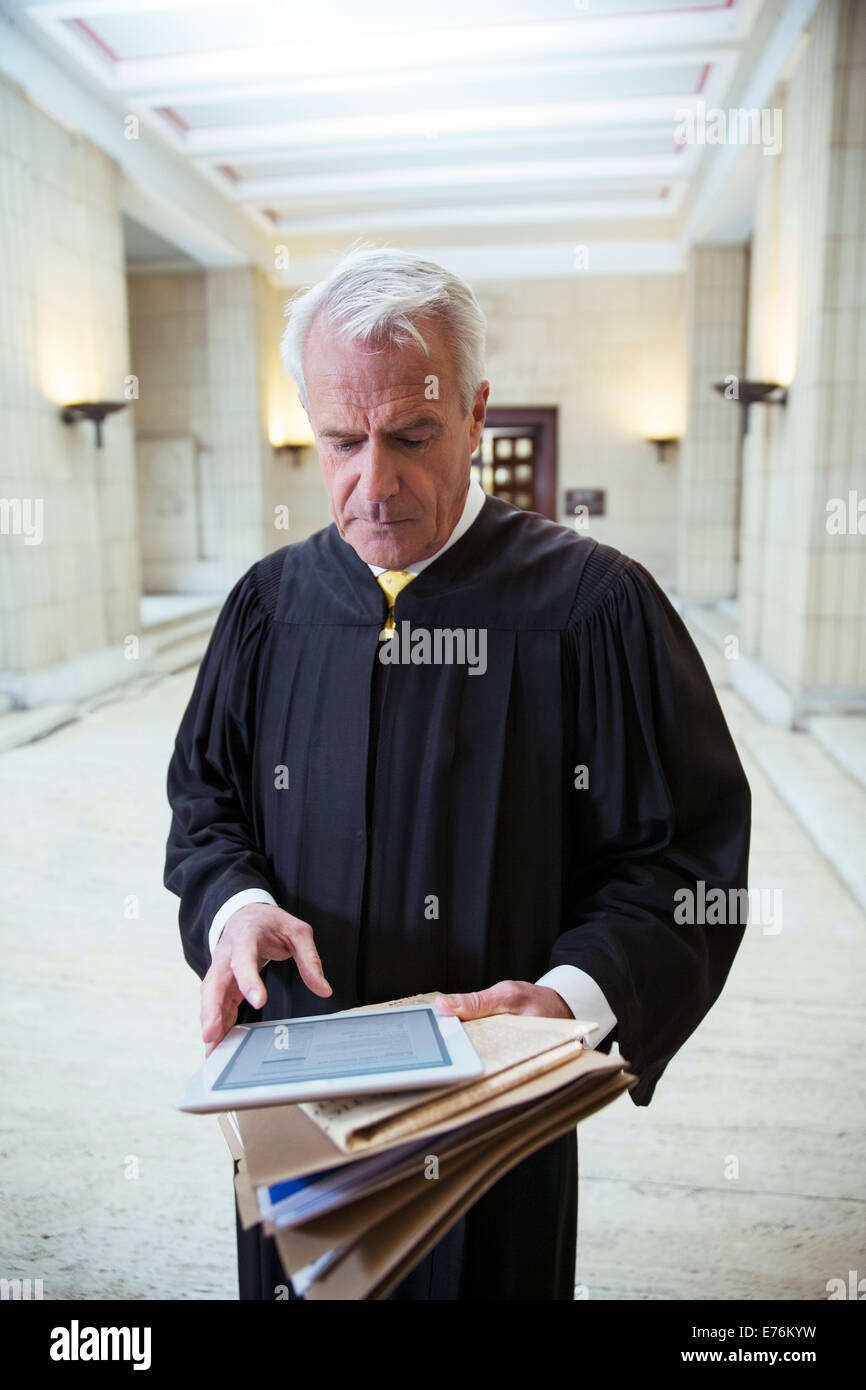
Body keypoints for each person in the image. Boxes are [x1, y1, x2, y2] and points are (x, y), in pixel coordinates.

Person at [164, 247, 751, 1300]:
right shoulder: (268, 606)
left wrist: (571, 1001)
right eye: (339, 440)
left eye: (413, 436)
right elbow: (206, 802)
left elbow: (684, 862)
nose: (373, 482)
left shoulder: (592, 609)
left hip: (495, 1112)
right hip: (299, 1094)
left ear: (476, 413)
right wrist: (235, 906)